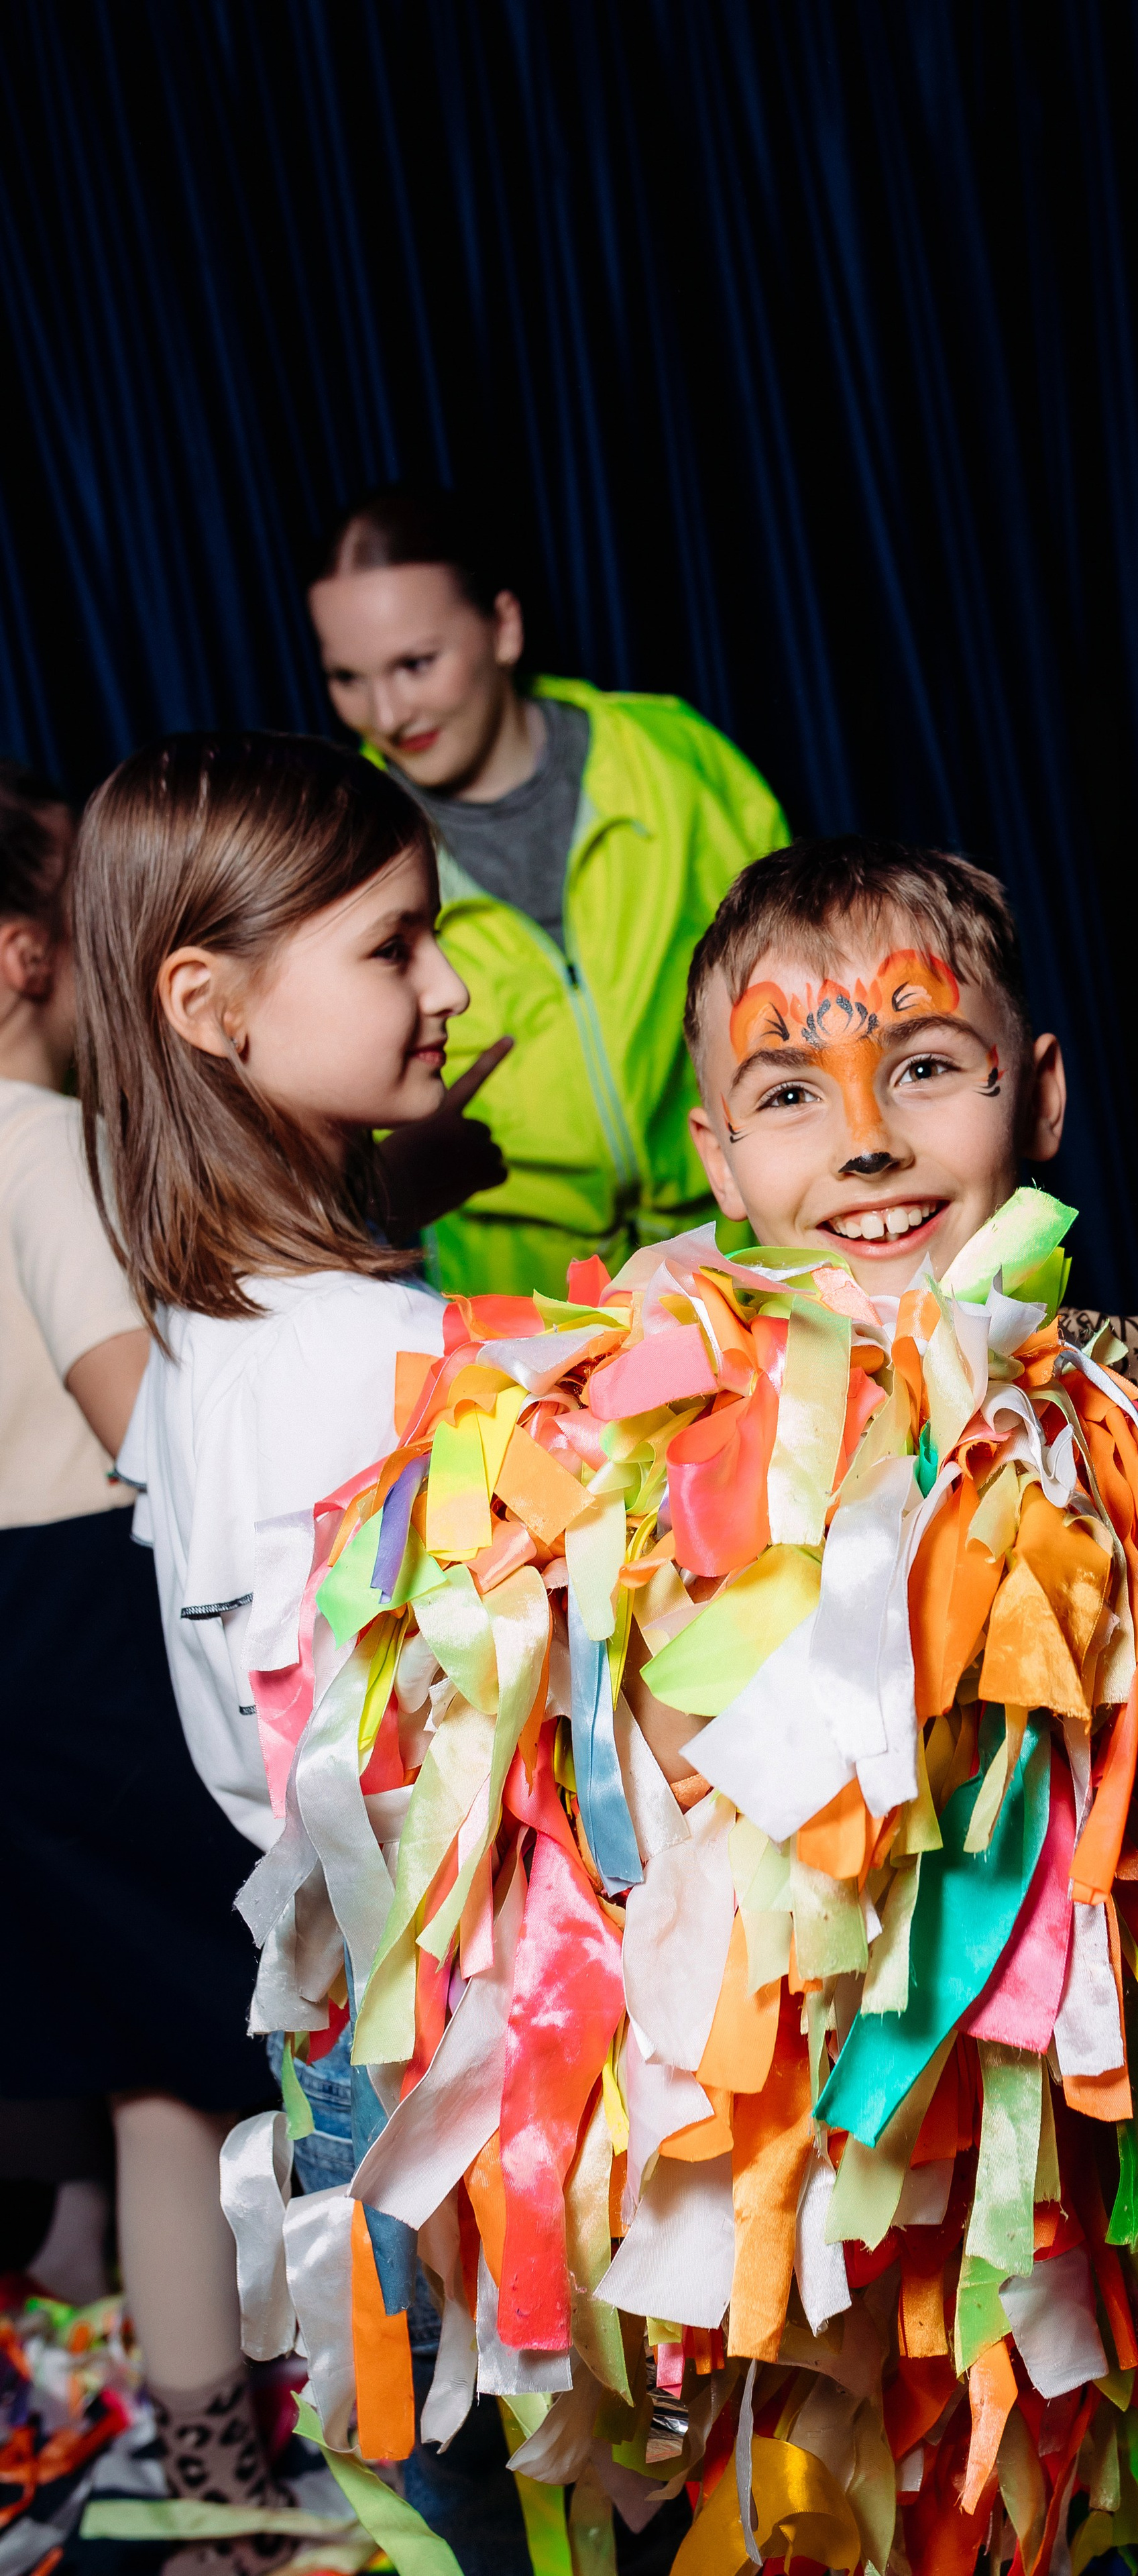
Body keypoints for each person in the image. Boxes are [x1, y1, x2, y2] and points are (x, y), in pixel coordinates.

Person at [673, 836, 1138, 2574]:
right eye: (791, 1091)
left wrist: (1086, 1734)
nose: (867, 1138)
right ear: (720, 1161)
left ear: (1040, 1097)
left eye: (925, 1067)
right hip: (856, 2288)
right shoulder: (667, 1478)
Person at [74, 730, 674, 2576]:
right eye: (393, 946)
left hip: (360, 2056)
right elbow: (368, 1755)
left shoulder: (216, 1310)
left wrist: (397, 1212)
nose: (446, 982)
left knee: (481, 2491)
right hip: (467, 2067)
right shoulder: (346, 1359)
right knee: (578, 2498)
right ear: (211, 1003)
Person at [0, 761, 285, 2576]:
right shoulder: (40, 1141)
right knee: (187, 2064)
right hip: (89, 1617)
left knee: (103, 2032)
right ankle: (228, 2499)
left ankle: (106, 2310)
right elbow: (143, 1408)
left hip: (14, 1628)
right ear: (34, 951)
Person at [306, 484, 789, 1299]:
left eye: (416, 664)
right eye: (348, 678)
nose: (386, 712)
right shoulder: (333, 845)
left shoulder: (675, 761)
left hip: (746, 1262)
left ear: (503, 627)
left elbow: (812, 987)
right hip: (520, 1321)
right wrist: (381, 1190)